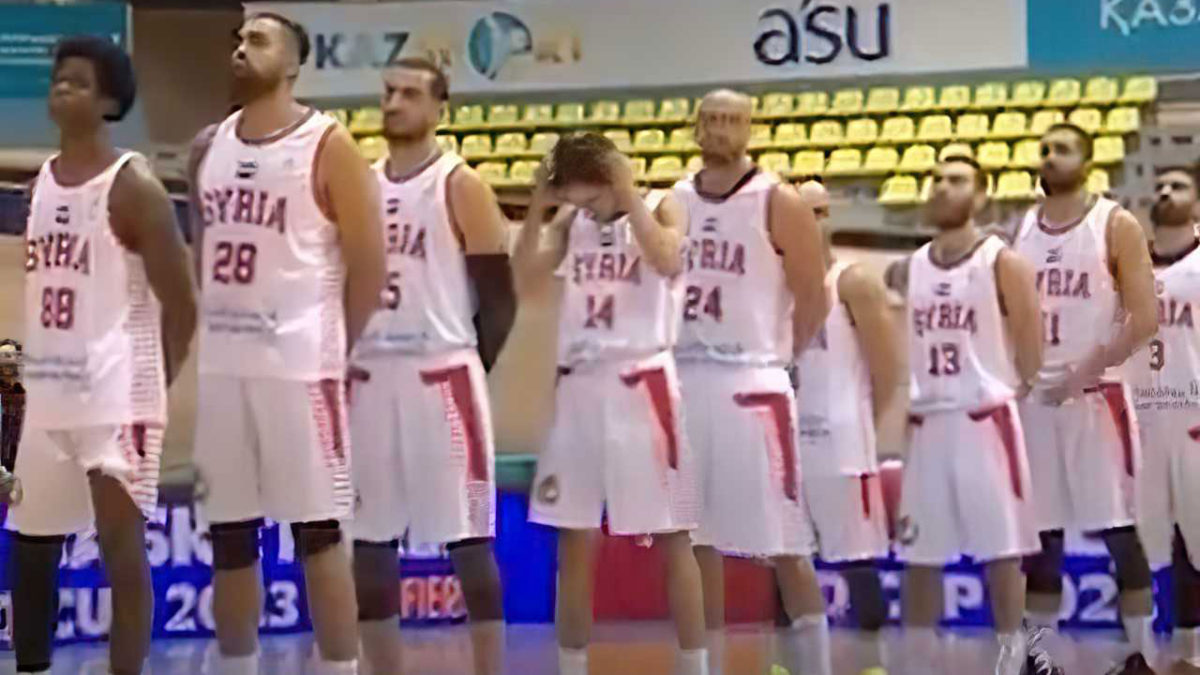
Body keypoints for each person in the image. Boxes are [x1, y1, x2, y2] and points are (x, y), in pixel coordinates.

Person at [189, 13, 386, 675]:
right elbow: (204, 255)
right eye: (239, 41)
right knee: (230, 539)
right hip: (223, 369)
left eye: (260, 41)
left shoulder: (328, 144)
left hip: (302, 369)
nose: (243, 50)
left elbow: (370, 265)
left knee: (320, 534)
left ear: (295, 62)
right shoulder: (206, 146)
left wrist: (331, 347)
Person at [11, 35, 197, 675]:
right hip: (48, 393)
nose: (64, 87)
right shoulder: (41, 181)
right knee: (31, 545)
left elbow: (183, 302)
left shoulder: (133, 185)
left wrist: (151, 388)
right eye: (60, 78)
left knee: (122, 551)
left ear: (111, 100)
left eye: (82, 81)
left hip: (115, 394)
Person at [517, 132, 707, 675]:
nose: (584, 206)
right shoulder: (570, 223)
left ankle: (695, 667)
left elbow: (669, 259)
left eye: (589, 194)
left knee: (674, 535)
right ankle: (571, 667)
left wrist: (626, 193)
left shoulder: (660, 204)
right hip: (579, 384)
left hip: (641, 382)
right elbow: (525, 279)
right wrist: (537, 208)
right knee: (574, 541)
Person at [348, 57, 515, 675]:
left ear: (439, 107)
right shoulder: (359, 184)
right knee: (370, 539)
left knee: (468, 538)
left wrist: (468, 363)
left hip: (441, 374)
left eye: (410, 94)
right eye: (389, 92)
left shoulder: (459, 183)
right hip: (370, 374)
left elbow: (500, 298)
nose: (394, 103)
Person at [673, 89, 831, 675]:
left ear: (750, 128)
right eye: (710, 119)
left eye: (732, 120)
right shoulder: (672, 199)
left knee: (784, 541)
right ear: (695, 129)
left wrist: (781, 356)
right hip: (687, 375)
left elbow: (812, 296)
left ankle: (815, 664)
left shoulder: (777, 200)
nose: (720, 129)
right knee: (696, 541)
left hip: (751, 379)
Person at [1012, 123, 1159, 669]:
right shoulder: (1022, 226)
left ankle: (1138, 654)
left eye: (1063, 149)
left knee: (1119, 530)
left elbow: (1144, 317)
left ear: (1088, 160)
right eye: (1045, 149)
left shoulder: (1113, 224)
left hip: (1097, 396)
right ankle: (1042, 654)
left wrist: (1085, 370)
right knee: (1041, 537)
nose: (1051, 157)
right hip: (1039, 399)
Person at [889, 156, 1043, 675]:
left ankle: (1014, 662)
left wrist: (1007, 390)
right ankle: (917, 662)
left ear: (981, 196)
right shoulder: (912, 265)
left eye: (956, 180)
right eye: (935, 178)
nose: (941, 187)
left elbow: (1031, 346)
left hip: (984, 420)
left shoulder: (1003, 261)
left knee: (1002, 555)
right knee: (919, 557)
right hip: (930, 422)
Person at [794, 180, 900, 675]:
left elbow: (888, 371)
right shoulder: (773, 290)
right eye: (797, 213)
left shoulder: (851, 282)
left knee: (859, 566)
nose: (807, 223)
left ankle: (872, 667)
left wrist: (861, 429)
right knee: (786, 566)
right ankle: (793, 666)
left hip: (841, 449)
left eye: (817, 212)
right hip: (783, 450)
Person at [1126, 166, 1200, 672]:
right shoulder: (1129, 270)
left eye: (1178, 186)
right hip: (1146, 418)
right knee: (1160, 544)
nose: (1165, 192)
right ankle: (1175, 651)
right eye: (1159, 186)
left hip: (1195, 414)